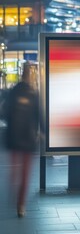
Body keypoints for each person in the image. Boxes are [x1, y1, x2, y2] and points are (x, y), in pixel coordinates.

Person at [5, 69, 41, 217]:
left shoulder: (13, 92)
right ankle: (21, 205)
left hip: (14, 136)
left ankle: (14, 188)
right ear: (30, 77)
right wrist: (41, 132)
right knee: (25, 173)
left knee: (15, 169)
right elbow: (39, 115)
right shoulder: (34, 94)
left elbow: (5, 112)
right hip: (28, 137)